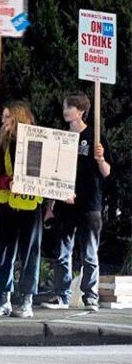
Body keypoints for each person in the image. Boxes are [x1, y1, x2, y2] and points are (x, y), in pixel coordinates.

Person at [42, 92, 112, 311]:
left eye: (70, 107)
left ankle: (90, 296)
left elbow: (108, 172)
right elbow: (53, 172)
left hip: (90, 203)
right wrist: (51, 205)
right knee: (63, 252)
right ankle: (61, 294)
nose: (65, 111)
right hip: (65, 203)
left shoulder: (95, 137)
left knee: (89, 252)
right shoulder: (61, 138)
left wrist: (100, 159)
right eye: (64, 106)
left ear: (80, 111)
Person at [0, 101, 43, 318]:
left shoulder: (38, 142)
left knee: (30, 254)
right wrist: (6, 183)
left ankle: (27, 299)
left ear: (18, 118)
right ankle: (4, 297)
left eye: (6, 117)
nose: (3, 121)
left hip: (31, 205)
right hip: (7, 204)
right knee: (5, 253)